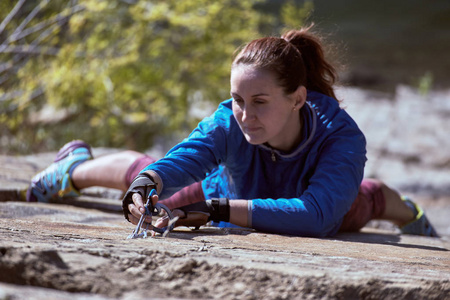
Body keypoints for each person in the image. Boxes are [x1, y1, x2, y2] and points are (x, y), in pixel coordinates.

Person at [27, 26, 438, 237]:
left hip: (324, 204)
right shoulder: (231, 119)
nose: (244, 114)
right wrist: (145, 183)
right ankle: (74, 168)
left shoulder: (342, 138)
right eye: (237, 99)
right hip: (231, 193)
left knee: (370, 197)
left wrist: (219, 210)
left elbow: (316, 216)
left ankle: (417, 216)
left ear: (297, 98)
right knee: (156, 175)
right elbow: (190, 154)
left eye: (259, 102)